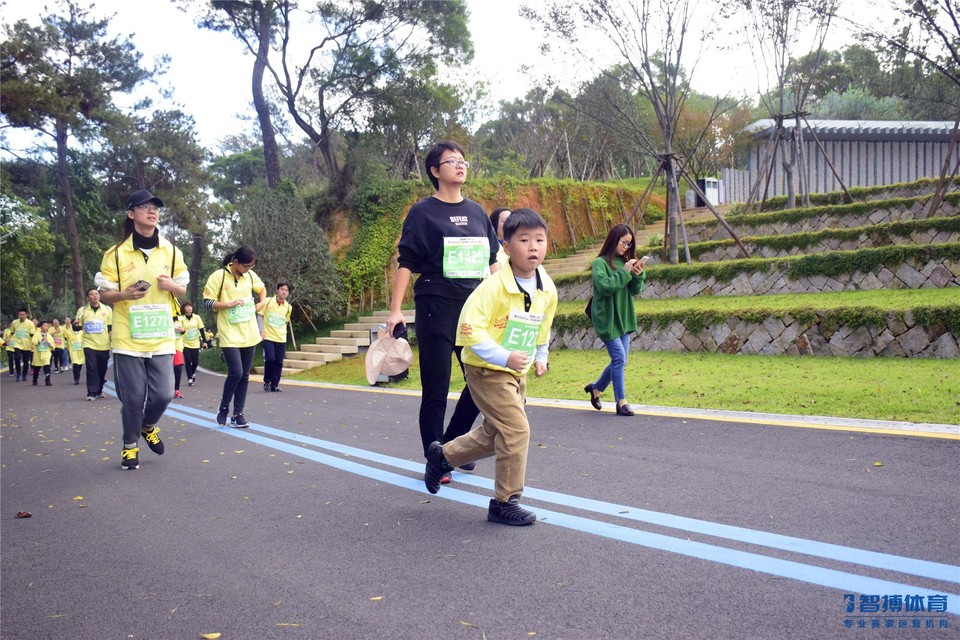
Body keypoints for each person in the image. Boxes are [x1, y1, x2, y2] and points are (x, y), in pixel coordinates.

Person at [423, 208, 558, 526]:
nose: (533, 246)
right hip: (485, 368)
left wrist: (540, 357)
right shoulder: (491, 287)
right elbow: (470, 333)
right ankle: (505, 502)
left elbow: (542, 328)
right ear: (507, 247)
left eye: (540, 239)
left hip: (516, 370)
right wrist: (503, 357)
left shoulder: (546, 287)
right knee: (517, 430)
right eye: (524, 240)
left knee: (497, 432)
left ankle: (442, 456)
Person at [385, 140, 500, 480]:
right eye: (451, 161)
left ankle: (449, 448)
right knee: (436, 386)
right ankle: (435, 451)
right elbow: (406, 262)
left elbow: (493, 262)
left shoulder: (478, 212)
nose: (460, 165)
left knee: (482, 381)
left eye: (463, 160)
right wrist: (395, 310)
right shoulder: (423, 212)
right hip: (435, 303)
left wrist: (505, 301)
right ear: (435, 171)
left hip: (474, 307)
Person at [96, 189, 188, 470]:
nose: (152, 211)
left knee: (163, 393)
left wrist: (172, 286)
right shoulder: (115, 254)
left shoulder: (171, 251)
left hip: (161, 335)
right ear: (130, 213)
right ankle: (129, 445)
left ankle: (148, 425)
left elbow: (182, 288)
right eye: (144, 206)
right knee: (133, 397)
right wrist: (124, 295)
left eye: (155, 207)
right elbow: (105, 293)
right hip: (128, 337)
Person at [583, 224, 648, 417]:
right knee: (619, 358)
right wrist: (625, 272)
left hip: (624, 318)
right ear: (614, 239)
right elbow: (605, 287)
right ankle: (621, 402)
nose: (626, 247)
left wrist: (638, 274)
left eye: (629, 244)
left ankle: (595, 389)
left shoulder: (625, 263)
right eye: (624, 243)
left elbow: (635, 290)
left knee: (620, 360)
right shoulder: (599, 263)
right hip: (607, 319)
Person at [203, 246, 266, 428]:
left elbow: (261, 289)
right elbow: (206, 302)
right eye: (246, 266)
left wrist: (261, 302)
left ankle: (238, 414)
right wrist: (228, 304)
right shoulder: (219, 276)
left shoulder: (250, 276)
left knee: (245, 375)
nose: (248, 270)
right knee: (236, 372)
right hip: (229, 332)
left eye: (251, 267)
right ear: (236, 262)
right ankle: (223, 407)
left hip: (249, 331)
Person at [75, 288, 112, 400]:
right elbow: (77, 327)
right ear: (88, 297)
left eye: (97, 294)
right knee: (91, 368)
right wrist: (75, 325)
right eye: (92, 294)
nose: (95, 296)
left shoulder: (107, 309)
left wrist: (113, 342)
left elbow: (110, 328)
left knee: (102, 369)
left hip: (104, 344)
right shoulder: (82, 311)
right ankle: (91, 392)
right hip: (89, 343)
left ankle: (99, 389)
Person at [259, 281, 292, 392]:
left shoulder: (288, 307)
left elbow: (285, 322)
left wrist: (284, 335)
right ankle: (267, 381)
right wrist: (261, 331)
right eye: (282, 289)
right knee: (270, 358)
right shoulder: (268, 302)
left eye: (286, 290)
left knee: (279, 361)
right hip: (268, 336)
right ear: (277, 290)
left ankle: (275, 384)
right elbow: (260, 315)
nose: (284, 292)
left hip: (281, 338)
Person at [179, 302, 207, 387]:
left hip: (195, 343)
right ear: (184, 309)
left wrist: (205, 341)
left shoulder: (197, 317)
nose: (189, 308)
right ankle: (190, 378)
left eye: (190, 307)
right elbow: (179, 329)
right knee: (187, 360)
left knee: (195, 361)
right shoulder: (181, 318)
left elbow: (201, 329)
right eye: (187, 307)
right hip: (185, 343)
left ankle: (192, 372)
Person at [10, 308, 35, 381]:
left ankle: (24, 374)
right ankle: (18, 373)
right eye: (20, 315)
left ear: (26, 315)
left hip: (27, 345)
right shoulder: (15, 322)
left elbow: (32, 335)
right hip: (17, 343)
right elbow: (12, 332)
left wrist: (32, 344)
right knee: (17, 358)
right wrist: (8, 339)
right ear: (18, 315)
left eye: (23, 315)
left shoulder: (30, 323)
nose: (21, 316)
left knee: (26, 361)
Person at [30, 320, 56, 386]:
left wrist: (48, 342)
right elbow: (33, 342)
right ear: (41, 327)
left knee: (47, 367)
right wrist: (40, 340)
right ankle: (35, 380)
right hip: (38, 354)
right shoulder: (36, 334)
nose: (46, 327)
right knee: (36, 368)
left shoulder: (49, 336)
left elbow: (53, 346)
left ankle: (48, 380)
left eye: (47, 326)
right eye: (44, 325)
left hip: (46, 353)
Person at [63, 318, 84, 385]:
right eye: (75, 324)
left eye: (78, 324)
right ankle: (76, 379)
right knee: (75, 364)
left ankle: (77, 375)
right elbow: (65, 335)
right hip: (73, 351)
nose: (77, 325)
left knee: (80, 364)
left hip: (81, 351)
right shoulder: (69, 332)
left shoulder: (82, 333)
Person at [172, 316, 185, 399]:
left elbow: (184, 330)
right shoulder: (162, 315)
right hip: (164, 346)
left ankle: (177, 390)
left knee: (178, 367)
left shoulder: (181, 319)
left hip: (177, 346)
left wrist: (182, 330)